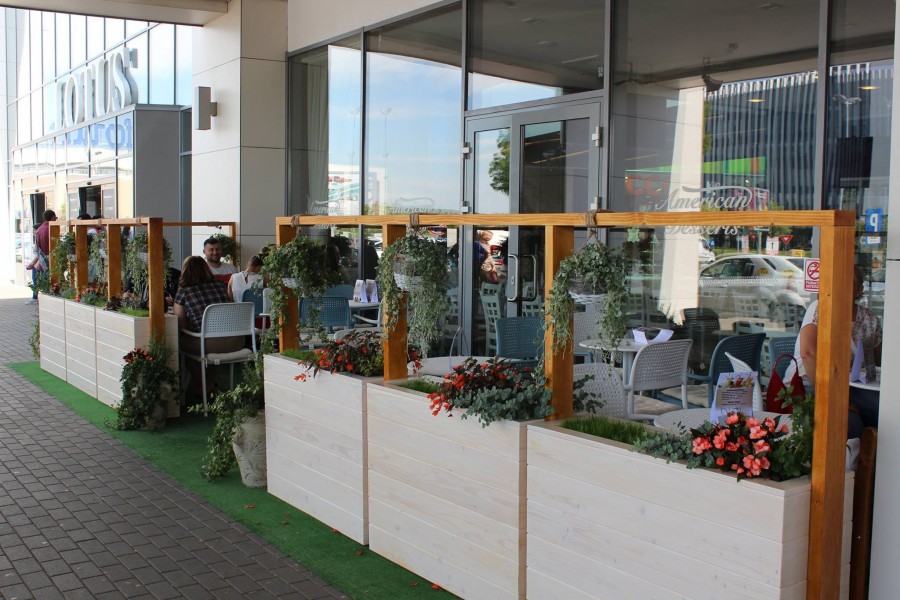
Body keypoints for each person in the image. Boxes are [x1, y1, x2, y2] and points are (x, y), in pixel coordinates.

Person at [785, 266, 882, 437]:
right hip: (812, 383)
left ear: (859, 290)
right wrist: (835, 398)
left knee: (882, 409)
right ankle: (860, 450)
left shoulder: (869, 318)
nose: (838, 287)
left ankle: (872, 448)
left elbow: (875, 361)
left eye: (846, 283)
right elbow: (808, 354)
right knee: (849, 422)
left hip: (850, 385)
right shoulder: (820, 308)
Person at [173, 256, 242, 400]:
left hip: (209, 345)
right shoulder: (221, 286)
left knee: (182, 344)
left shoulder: (184, 291)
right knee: (208, 343)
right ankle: (209, 384)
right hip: (236, 342)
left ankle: (204, 386)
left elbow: (181, 324)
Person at [25, 209, 56, 304]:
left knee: (41, 280)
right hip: (50, 259)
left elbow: (37, 248)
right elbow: (54, 245)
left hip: (42, 260)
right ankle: (47, 300)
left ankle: (39, 298)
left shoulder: (40, 229)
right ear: (53, 217)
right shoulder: (51, 228)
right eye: (55, 218)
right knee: (50, 281)